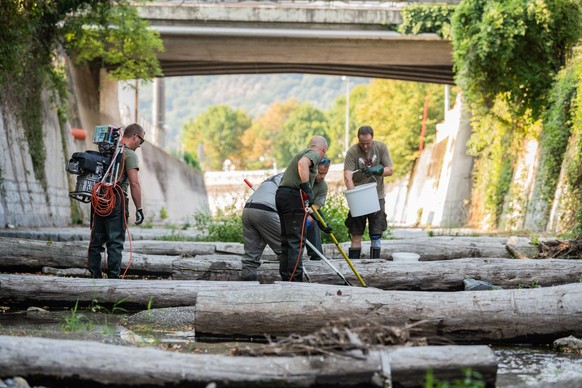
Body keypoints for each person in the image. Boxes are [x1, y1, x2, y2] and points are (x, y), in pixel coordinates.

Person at [87, 123, 145, 278]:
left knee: (96, 242)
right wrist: (139, 209)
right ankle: (113, 282)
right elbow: (134, 183)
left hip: (99, 199)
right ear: (135, 136)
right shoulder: (129, 154)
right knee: (115, 243)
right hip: (116, 200)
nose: (140, 144)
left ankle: (94, 280)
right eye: (141, 140)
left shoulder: (108, 150)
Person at [275, 135, 328, 281]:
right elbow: (302, 164)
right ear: (323, 150)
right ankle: (295, 280)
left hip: (281, 194)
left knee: (287, 240)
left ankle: (286, 278)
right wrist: (306, 187)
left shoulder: (303, 151)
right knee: (296, 241)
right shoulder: (314, 154)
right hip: (293, 195)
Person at [343, 125, 393, 260]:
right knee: (356, 232)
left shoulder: (381, 148)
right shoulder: (352, 152)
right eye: (362, 143)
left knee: (376, 233)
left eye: (368, 143)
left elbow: (390, 170)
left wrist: (376, 170)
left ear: (373, 138)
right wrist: (354, 197)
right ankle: (354, 265)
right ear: (358, 139)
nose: (365, 147)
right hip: (359, 195)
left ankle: (375, 265)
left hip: (377, 196)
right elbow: (347, 176)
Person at [241, 173, 284, 281]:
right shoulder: (295, 179)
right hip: (266, 210)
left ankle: (247, 284)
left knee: (251, 256)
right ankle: (292, 284)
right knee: (286, 250)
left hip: (248, 209)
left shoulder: (275, 178)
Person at [305, 157, 332, 261]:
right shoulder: (303, 178)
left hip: (308, 212)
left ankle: (316, 255)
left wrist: (306, 222)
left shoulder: (322, 186)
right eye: (320, 173)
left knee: (313, 223)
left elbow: (316, 208)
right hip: (293, 210)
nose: (323, 177)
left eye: (325, 173)